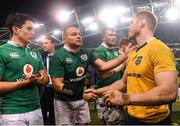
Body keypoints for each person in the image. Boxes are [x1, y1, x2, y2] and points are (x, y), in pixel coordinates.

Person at [87, 10, 178, 125]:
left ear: (142, 23)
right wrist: (97, 91)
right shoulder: (134, 53)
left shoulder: (160, 49)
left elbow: (168, 93)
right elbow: (123, 83)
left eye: (131, 22)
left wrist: (125, 98)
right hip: (130, 117)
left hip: (154, 121)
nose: (128, 26)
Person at [49, 26, 132, 125]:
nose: (79, 36)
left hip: (82, 98)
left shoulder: (86, 52)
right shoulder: (58, 56)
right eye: (74, 34)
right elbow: (58, 86)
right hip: (64, 101)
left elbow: (103, 66)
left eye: (79, 34)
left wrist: (125, 55)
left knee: (84, 124)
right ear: (65, 39)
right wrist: (81, 94)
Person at [0, 13, 49, 125]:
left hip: (36, 108)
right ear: (15, 29)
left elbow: (45, 78)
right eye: (29, 28)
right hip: (11, 112)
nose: (34, 33)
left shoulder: (35, 52)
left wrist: (40, 80)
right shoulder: (2, 51)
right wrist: (25, 82)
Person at [94, 28, 125, 125]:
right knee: (109, 122)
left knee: (117, 121)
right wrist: (120, 67)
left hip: (116, 91)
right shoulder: (100, 50)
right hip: (105, 94)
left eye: (114, 35)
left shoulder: (115, 51)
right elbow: (103, 76)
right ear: (103, 37)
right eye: (110, 35)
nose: (113, 37)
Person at [40, 35, 56, 125]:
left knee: (54, 115)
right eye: (43, 43)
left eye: (46, 43)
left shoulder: (60, 56)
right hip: (44, 89)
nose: (43, 45)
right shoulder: (41, 57)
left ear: (53, 44)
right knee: (42, 114)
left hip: (56, 89)